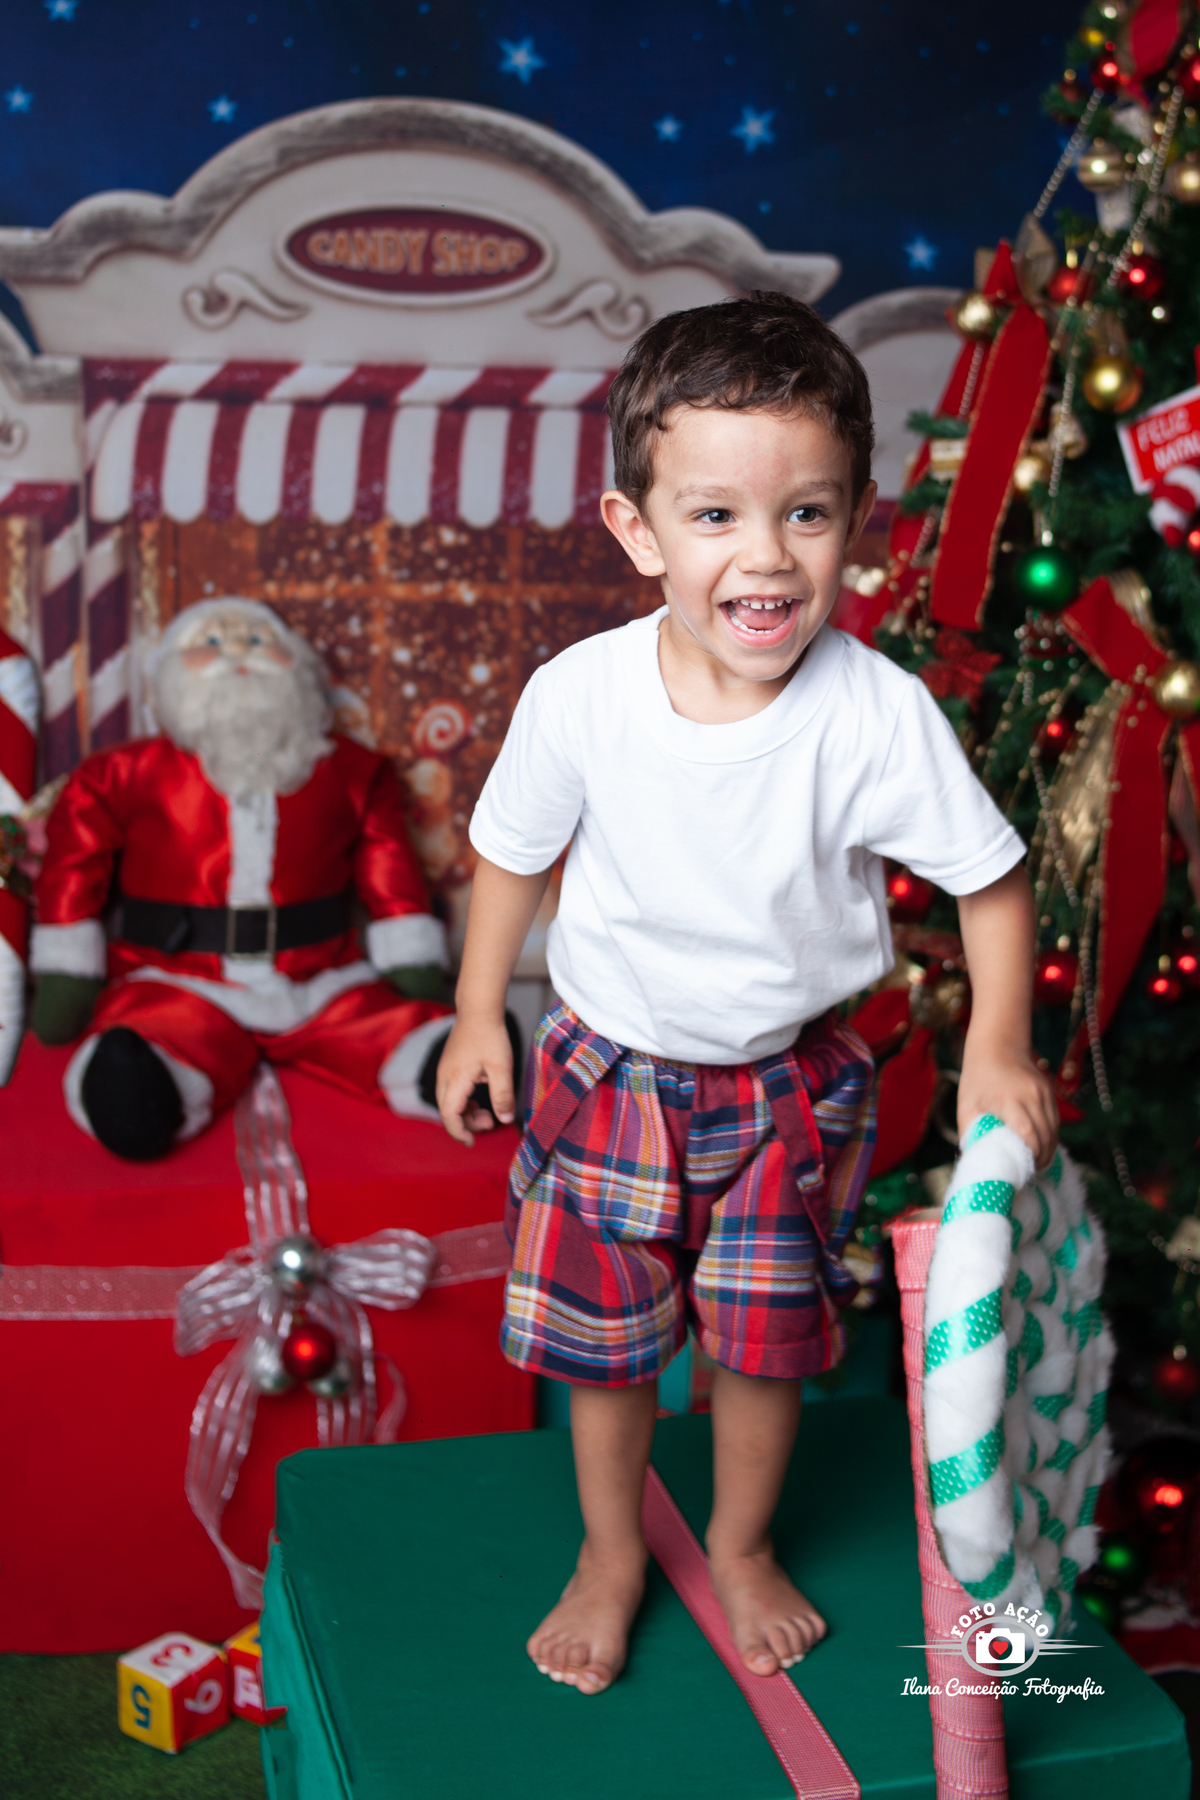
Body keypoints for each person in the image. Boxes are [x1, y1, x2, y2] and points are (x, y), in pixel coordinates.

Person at [435, 293, 1058, 1697]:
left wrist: (998, 1050)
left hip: (786, 1084)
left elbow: (991, 880)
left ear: (858, 521)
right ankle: (608, 1551)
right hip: (608, 1073)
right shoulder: (582, 697)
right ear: (638, 530)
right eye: (715, 517)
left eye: (808, 516)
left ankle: (741, 1540)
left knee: (765, 1340)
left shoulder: (873, 707)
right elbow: (508, 854)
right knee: (605, 1350)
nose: (765, 559)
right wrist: (482, 1013)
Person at [32, 597, 454, 1157]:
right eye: (210, 643)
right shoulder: (119, 775)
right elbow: (72, 868)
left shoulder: (354, 771)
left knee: (389, 1027)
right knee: (150, 1038)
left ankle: (438, 1066)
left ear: (298, 667)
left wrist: (413, 963)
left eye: (257, 641)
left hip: (320, 981)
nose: (237, 653)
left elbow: (390, 870)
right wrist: (69, 976)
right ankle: (139, 1089)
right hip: (177, 979)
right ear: (171, 676)